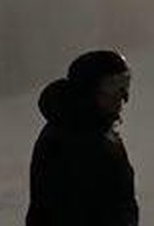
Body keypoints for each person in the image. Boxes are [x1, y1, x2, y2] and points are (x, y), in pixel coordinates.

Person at [27, 49, 138, 226]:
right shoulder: (67, 140)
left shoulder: (99, 132)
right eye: (112, 86)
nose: (121, 96)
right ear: (89, 90)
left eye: (124, 84)